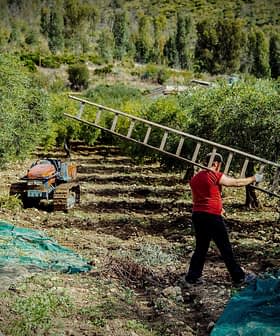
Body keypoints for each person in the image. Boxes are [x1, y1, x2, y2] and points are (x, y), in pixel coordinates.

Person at [185, 153, 263, 285]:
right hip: (211, 217)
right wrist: (254, 178)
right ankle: (239, 277)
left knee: (201, 247)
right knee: (225, 247)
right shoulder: (214, 175)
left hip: (198, 215)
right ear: (215, 163)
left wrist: (219, 207)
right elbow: (236, 182)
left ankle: (192, 277)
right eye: (220, 165)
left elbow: (197, 198)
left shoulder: (195, 178)